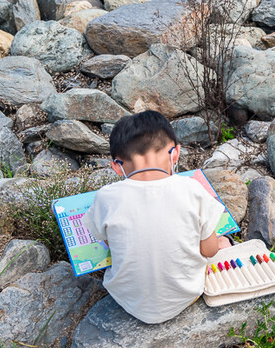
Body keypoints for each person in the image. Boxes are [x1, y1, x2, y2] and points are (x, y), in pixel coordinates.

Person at [82, 110, 231, 324]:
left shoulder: (106, 197)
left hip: (127, 300)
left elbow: (107, 241)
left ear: (116, 165)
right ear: (175, 153)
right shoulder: (192, 189)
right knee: (221, 242)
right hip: (186, 295)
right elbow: (209, 251)